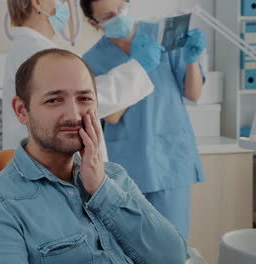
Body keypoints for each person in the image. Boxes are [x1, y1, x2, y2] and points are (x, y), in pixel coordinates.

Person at [0, 48, 187, 263]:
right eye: (54, 100)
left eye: (84, 99)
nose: (74, 115)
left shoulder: (114, 178)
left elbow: (173, 257)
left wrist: (101, 188)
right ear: (21, 111)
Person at [80, 0, 206, 239]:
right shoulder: (90, 61)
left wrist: (192, 59)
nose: (118, 16)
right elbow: (113, 115)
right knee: (132, 245)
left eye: (120, 8)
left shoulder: (161, 35)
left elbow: (193, 93)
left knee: (173, 243)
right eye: (108, 16)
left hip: (170, 158)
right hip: (128, 162)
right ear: (93, 22)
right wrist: (138, 67)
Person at [3, 0, 164, 150]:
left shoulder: (31, 47)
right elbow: (84, 101)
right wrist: (138, 67)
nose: (66, 5)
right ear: (38, 2)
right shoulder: (36, 51)